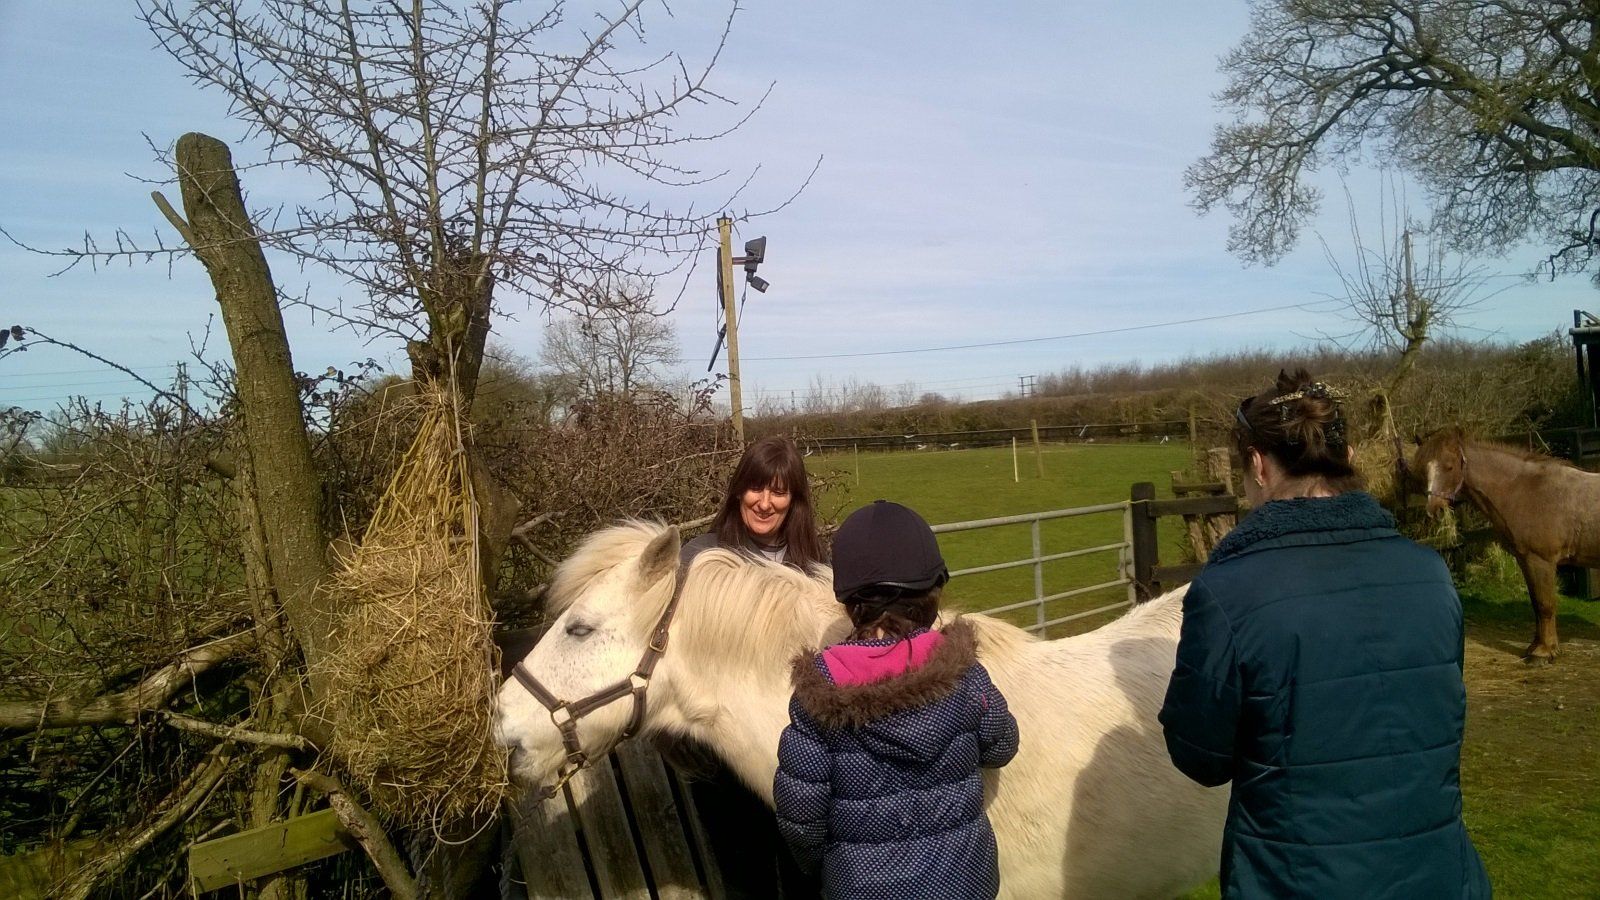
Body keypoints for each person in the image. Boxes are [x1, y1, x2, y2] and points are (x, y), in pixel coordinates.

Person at [1159, 369, 1490, 899]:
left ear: (1259, 466)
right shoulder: (1430, 575)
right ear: (1351, 456)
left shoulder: (1228, 594)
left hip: (1297, 882)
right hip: (1440, 875)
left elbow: (1202, 758)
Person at [773, 500, 1020, 899]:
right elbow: (1002, 746)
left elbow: (801, 819)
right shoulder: (965, 674)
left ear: (850, 604)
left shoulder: (818, 697)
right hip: (966, 883)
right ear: (932, 595)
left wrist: (829, 868)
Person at [673, 434, 826, 898]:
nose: (764, 502)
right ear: (739, 490)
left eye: (778, 491)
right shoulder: (701, 559)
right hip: (726, 762)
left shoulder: (816, 566)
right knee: (747, 882)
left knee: (806, 879)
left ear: (794, 499)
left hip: (800, 759)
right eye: (755, 488)